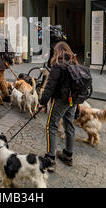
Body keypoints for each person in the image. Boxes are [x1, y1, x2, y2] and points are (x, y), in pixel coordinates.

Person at [37, 41, 78, 171]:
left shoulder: (58, 65)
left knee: (51, 126)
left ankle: (50, 159)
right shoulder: (74, 62)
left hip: (60, 100)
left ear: (57, 52)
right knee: (69, 125)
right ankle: (68, 155)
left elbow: (50, 86)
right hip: (73, 100)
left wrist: (42, 102)